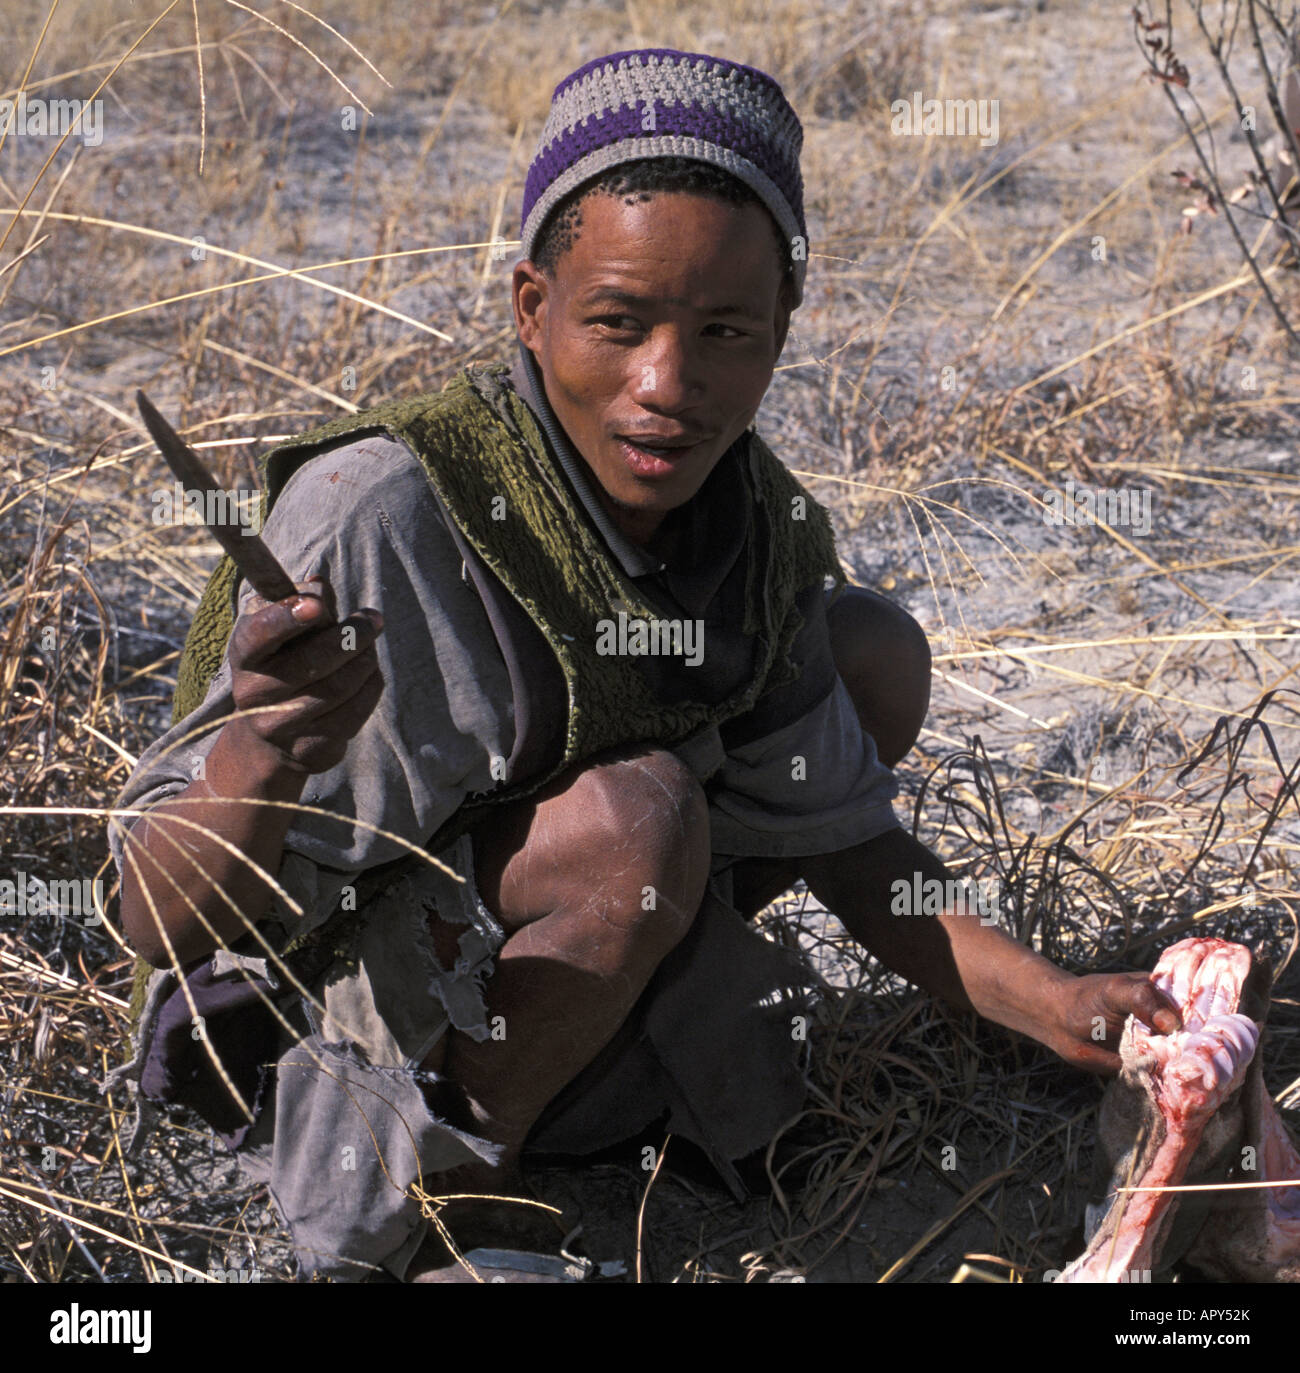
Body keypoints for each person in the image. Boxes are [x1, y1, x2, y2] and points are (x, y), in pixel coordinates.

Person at [107, 48, 1181, 1284]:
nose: (666, 387)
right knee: (638, 820)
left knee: (863, 652)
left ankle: (594, 1071)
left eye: (725, 330)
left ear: (785, 325)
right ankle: (445, 1192)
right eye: (616, 321)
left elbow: (852, 851)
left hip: (545, 960)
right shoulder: (382, 512)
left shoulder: (755, 531)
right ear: (531, 308)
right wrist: (263, 745)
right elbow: (154, 920)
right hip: (297, 1034)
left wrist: (1057, 1004)